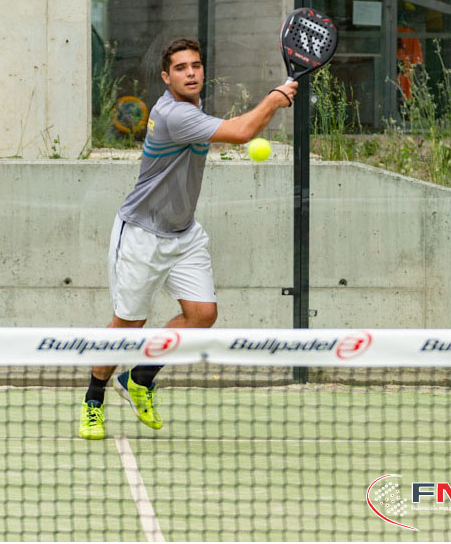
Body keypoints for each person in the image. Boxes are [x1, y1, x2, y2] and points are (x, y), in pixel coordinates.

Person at [78, 38, 297, 440]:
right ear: (166, 77)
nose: (191, 73)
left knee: (202, 314)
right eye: (181, 68)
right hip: (142, 234)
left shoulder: (193, 109)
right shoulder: (173, 114)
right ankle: (94, 399)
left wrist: (272, 102)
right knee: (128, 323)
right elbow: (242, 131)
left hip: (183, 232)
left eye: (195, 65)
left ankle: (139, 378)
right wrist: (275, 98)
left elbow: (240, 128)